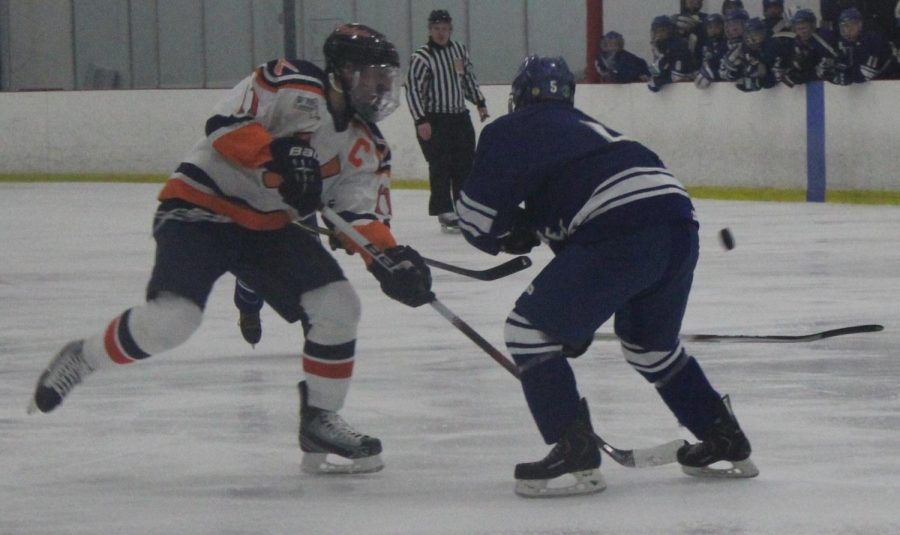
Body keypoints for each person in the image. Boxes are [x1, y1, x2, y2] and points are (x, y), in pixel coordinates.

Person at [27, 23, 435, 475]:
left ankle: (320, 418)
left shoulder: (369, 146)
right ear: (341, 72)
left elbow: (359, 215)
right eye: (372, 75)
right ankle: (83, 357)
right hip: (201, 208)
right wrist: (275, 156)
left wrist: (388, 257)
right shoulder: (289, 80)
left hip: (269, 228)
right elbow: (224, 125)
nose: (381, 87)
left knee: (338, 304)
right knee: (173, 322)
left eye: (386, 77)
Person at [456, 55, 758, 498]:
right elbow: (594, 250)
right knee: (650, 347)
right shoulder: (588, 132)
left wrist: (506, 235)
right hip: (676, 223)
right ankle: (722, 436)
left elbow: (474, 219)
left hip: (623, 229)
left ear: (519, 96)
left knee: (527, 332)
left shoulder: (511, 128)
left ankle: (574, 449)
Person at [405, 9, 489, 233]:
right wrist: (420, 119)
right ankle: (444, 210)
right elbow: (413, 90)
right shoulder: (421, 57)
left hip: (459, 117)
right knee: (441, 166)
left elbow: (468, 78)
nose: (441, 33)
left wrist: (479, 102)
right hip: (435, 119)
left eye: (444, 29)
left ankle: (463, 208)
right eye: (436, 29)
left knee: (465, 164)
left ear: (450, 30)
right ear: (430, 30)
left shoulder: (459, 51)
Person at [823, 7, 898, 83]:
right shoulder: (844, 44)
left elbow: (865, 75)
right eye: (844, 26)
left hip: (893, 80)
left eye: (851, 25)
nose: (848, 29)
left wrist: (844, 75)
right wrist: (830, 71)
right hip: (877, 86)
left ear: (860, 24)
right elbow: (839, 69)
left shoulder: (873, 40)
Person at [781, 9, 840, 87]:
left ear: (813, 26)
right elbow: (788, 77)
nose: (802, 32)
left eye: (805, 28)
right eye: (799, 29)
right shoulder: (794, 43)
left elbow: (839, 59)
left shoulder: (824, 37)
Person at [647, 15, 697, 92]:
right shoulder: (660, 46)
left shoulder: (678, 46)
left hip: (687, 90)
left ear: (670, 30)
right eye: (657, 31)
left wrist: (658, 81)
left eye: (663, 30)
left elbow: (678, 77)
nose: (659, 34)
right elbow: (657, 69)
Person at [694, 13, 729, 87]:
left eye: (717, 27)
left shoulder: (726, 44)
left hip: (722, 82)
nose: (713, 30)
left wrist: (712, 73)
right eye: (710, 27)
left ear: (723, 28)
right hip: (705, 79)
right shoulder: (704, 44)